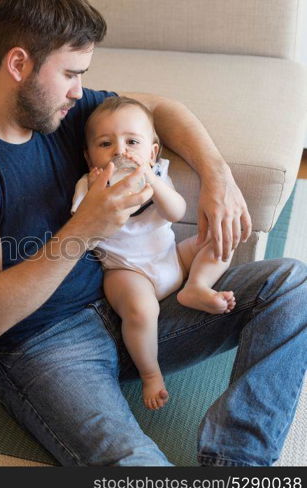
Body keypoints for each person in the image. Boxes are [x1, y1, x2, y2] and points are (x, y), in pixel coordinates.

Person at [0, 0, 306, 466]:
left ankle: (238, 464)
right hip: (47, 344)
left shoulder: (66, 115)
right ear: (18, 63)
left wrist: (217, 178)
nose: (80, 92)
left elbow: (159, 108)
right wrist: (85, 227)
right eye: (71, 74)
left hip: (134, 305)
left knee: (292, 286)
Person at [71, 96, 237, 410]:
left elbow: (176, 211)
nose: (120, 151)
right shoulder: (87, 186)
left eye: (132, 141)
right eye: (105, 143)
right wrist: (96, 192)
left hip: (172, 258)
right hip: (127, 273)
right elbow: (85, 235)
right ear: (88, 155)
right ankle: (150, 373)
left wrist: (150, 178)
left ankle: (196, 287)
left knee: (218, 239)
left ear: (152, 151)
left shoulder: (158, 173)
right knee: (141, 312)